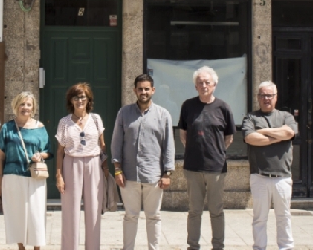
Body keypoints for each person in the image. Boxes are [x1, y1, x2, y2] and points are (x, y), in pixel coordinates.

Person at [111, 73, 174, 250]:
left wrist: (167, 173)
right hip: (128, 175)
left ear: (153, 90)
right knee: (130, 216)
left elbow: (169, 144)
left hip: (154, 175)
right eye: (140, 89)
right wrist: (117, 169)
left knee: (153, 216)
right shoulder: (124, 113)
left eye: (147, 89)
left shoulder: (163, 115)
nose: (144, 92)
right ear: (135, 91)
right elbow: (116, 142)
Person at [178, 66, 235, 250]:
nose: (204, 85)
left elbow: (229, 137)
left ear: (214, 85)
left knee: (216, 210)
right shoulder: (188, 106)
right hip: (193, 167)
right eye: (200, 83)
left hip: (216, 168)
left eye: (207, 82)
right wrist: (196, 151)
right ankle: (193, 245)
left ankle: (218, 245)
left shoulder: (223, 107)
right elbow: (183, 134)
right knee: (194, 210)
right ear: (195, 86)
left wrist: (216, 152)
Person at [242, 81, 297, 250]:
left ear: (276, 97)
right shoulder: (251, 117)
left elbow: (289, 132)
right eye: (263, 95)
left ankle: (286, 247)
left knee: (284, 217)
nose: (266, 98)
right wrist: (277, 135)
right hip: (259, 176)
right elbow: (250, 138)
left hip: (282, 177)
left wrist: (264, 132)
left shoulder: (286, 116)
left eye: (270, 95)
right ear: (258, 97)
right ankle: (259, 247)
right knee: (259, 218)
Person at [55, 83, 108, 250]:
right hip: (71, 164)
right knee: (70, 213)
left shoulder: (96, 119)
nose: (80, 100)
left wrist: (105, 170)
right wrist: (59, 175)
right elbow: (60, 151)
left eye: (83, 97)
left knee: (93, 212)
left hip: (93, 164)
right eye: (76, 97)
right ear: (71, 100)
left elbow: (102, 146)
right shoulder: (64, 122)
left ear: (88, 99)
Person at [0, 91, 52, 250]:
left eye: (28, 104)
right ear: (16, 105)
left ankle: (36, 248)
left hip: (35, 177)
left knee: (36, 215)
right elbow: (0, 155)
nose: (25, 107)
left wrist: (40, 155)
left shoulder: (40, 127)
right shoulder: (7, 128)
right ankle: (21, 247)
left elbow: (49, 151)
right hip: (12, 176)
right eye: (22, 104)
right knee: (17, 215)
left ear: (33, 107)